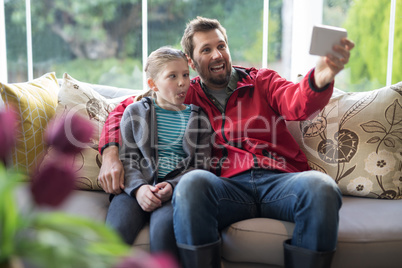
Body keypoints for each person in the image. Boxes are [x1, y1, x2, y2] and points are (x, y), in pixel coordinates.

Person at [99, 17, 354, 268]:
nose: (217, 55)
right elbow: (126, 109)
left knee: (322, 187)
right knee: (192, 182)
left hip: (280, 179)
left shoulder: (262, 81)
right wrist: (110, 154)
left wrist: (321, 77)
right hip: (227, 185)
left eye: (221, 46)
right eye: (206, 50)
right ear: (192, 61)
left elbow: (297, 102)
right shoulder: (186, 90)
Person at [105, 46, 212, 261]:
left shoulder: (199, 118)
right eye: (172, 76)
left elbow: (201, 165)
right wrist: (138, 189)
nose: (182, 82)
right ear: (153, 84)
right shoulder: (134, 112)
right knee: (113, 237)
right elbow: (128, 159)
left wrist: (172, 187)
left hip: (173, 192)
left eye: (185, 75)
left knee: (163, 235)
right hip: (134, 190)